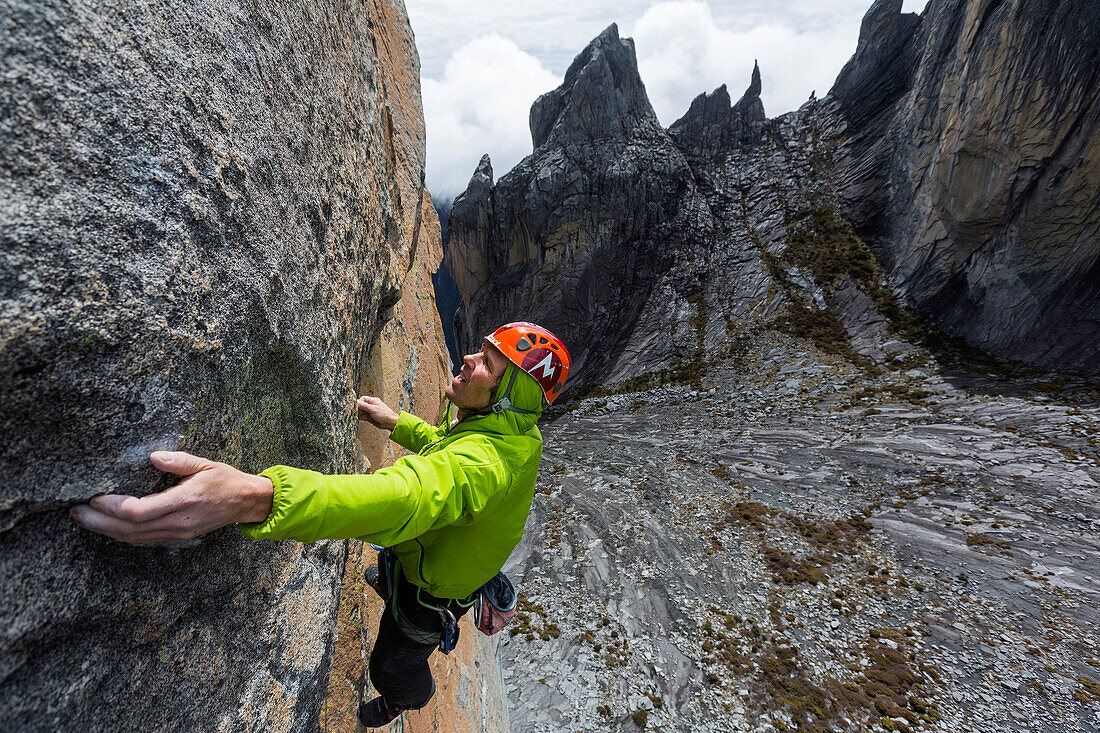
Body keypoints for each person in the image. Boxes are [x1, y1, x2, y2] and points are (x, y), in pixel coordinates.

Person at [70, 322, 571, 728]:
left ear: (509, 394)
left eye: (488, 362)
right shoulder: (505, 433)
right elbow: (446, 447)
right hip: (429, 554)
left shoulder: (490, 464)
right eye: (480, 348)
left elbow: (409, 494)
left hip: (430, 593)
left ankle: (407, 697)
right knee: (390, 570)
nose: (469, 359)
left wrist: (257, 496)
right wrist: (398, 423)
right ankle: (394, 584)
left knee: (389, 664)